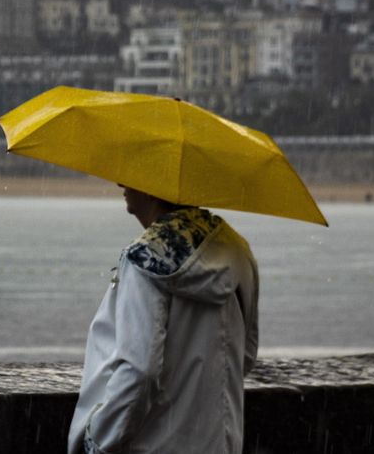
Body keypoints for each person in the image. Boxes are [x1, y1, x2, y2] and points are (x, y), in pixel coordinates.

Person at [67, 186, 260, 454]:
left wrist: (98, 440)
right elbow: (245, 355)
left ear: (153, 188)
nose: (121, 184)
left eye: (131, 175)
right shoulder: (237, 250)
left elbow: (140, 371)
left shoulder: (143, 260)